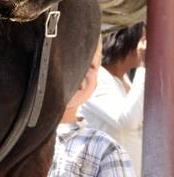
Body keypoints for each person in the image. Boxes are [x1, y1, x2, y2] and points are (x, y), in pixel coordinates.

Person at [49, 41, 135, 177]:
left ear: (95, 85)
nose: (79, 71)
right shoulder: (13, 138)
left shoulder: (105, 150)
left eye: (90, 65)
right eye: (69, 58)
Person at [79, 23, 146, 176]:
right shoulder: (97, 79)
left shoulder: (125, 81)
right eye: (143, 39)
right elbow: (126, 121)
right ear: (129, 42)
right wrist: (144, 65)